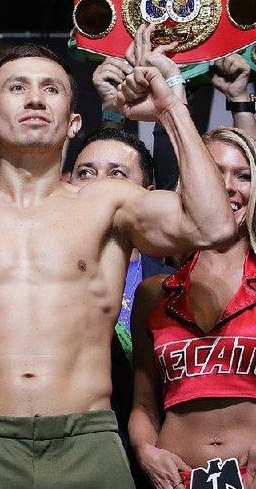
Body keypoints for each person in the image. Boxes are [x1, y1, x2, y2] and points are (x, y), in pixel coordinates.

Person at [0, 22, 237, 486]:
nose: (35, 99)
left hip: (87, 441)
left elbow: (211, 224)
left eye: (50, 89)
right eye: (17, 88)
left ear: (74, 121)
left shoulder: (109, 202)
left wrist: (170, 108)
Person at [129, 126, 256, 489]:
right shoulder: (153, 294)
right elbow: (143, 405)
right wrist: (144, 449)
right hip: (178, 481)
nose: (227, 186)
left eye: (243, 176)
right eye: (212, 171)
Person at [69, 126, 173, 489]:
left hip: (165, 462)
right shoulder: (34, 281)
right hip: (72, 459)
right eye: (86, 172)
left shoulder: (175, 282)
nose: (99, 185)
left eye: (117, 173)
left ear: (147, 196)